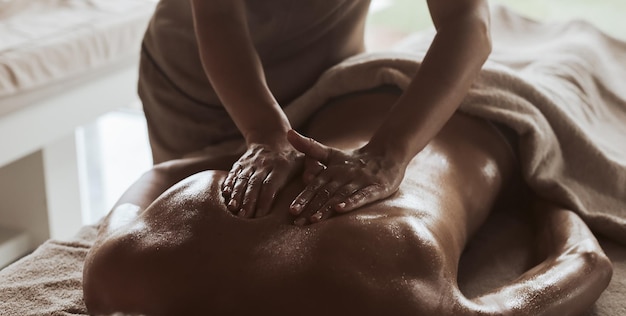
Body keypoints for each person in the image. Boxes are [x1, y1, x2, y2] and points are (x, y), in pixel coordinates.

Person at [0, 88, 612, 316]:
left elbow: (584, 263)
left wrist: (541, 191)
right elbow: (157, 175)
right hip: (340, 86)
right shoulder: (119, 270)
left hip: (518, 111)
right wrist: (225, 155)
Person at [139, 0, 492, 223]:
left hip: (322, 80)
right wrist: (264, 132)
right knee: (188, 221)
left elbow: (466, 19)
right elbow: (219, 15)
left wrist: (389, 152)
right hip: (192, 89)